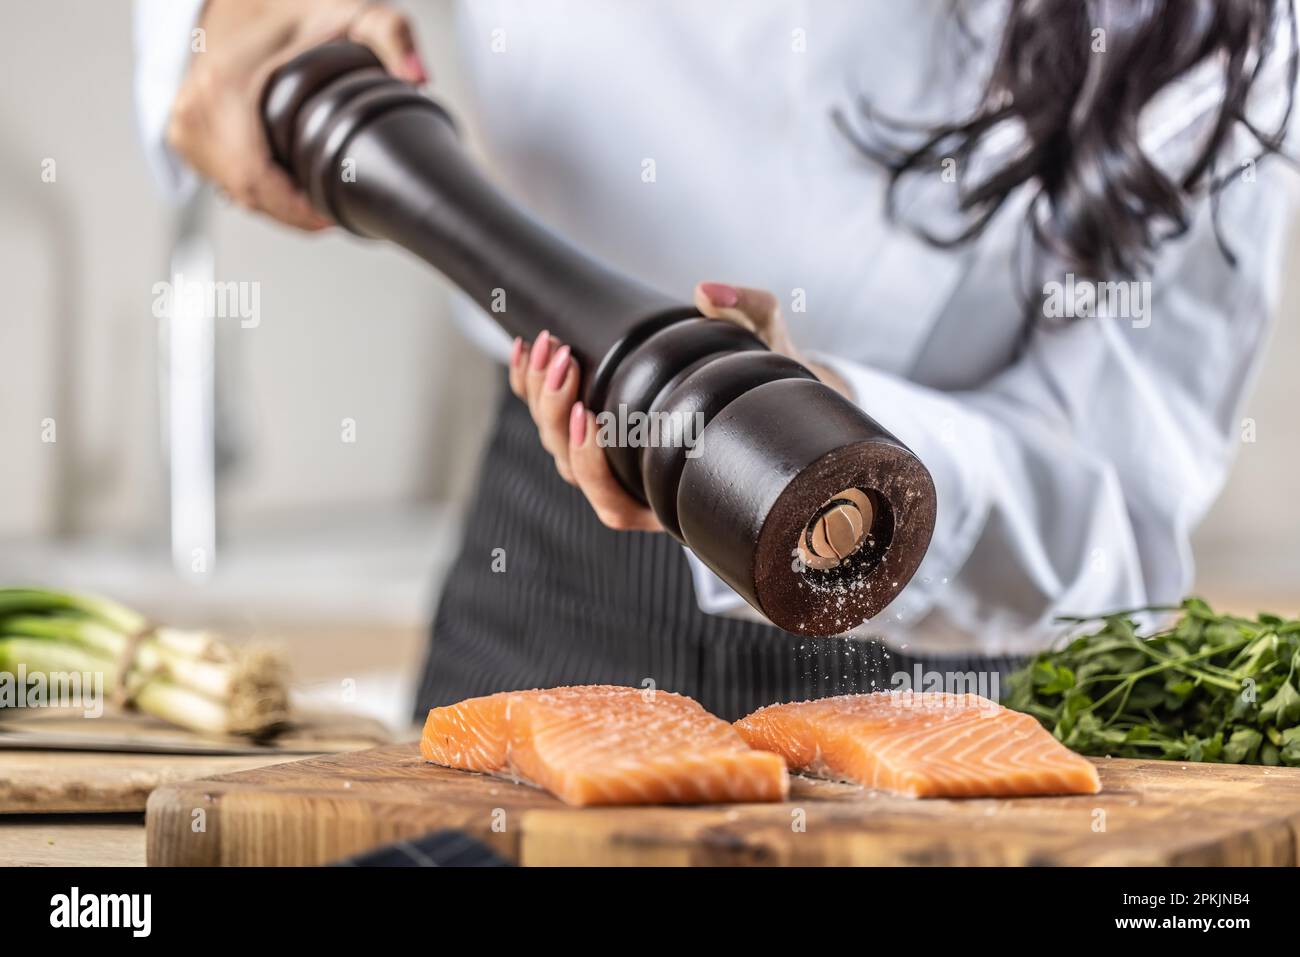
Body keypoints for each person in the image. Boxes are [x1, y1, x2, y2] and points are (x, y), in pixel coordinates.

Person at [136, 0, 1298, 720]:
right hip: (551, 561)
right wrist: (224, 19)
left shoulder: (1212, 29)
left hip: (930, 621)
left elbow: (1119, 502)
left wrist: (830, 425)